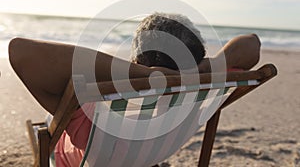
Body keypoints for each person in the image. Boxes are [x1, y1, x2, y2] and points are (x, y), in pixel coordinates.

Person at [9, 13, 260, 166]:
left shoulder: (90, 107)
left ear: (135, 61)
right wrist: (206, 68)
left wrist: (143, 75)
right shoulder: (199, 87)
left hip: (92, 160)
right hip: (154, 151)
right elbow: (252, 44)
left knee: (52, 119)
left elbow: (21, 51)